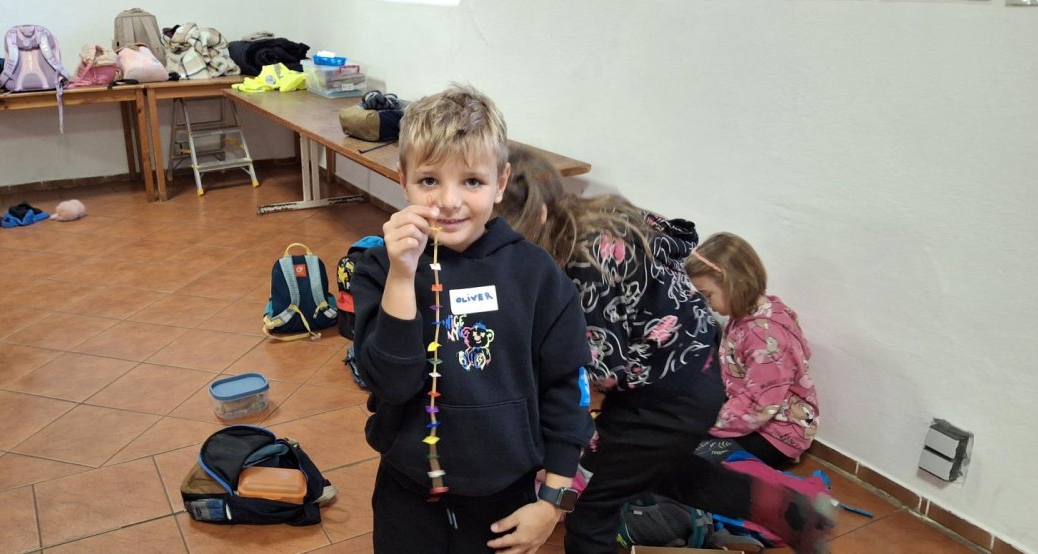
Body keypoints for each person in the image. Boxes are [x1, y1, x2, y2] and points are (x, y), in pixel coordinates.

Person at [495, 147, 834, 554]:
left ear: (537, 217)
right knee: (649, 469)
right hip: (692, 368)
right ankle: (785, 506)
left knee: (591, 514)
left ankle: (784, 507)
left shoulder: (585, 262)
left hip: (667, 393)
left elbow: (601, 368)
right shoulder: (600, 213)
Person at [351, 85, 595, 554]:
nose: (449, 201)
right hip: (407, 492)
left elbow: (567, 388)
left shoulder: (535, 274)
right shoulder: (379, 270)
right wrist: (402, 276)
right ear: (402, 178)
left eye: (471, 182)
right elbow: (391, 385)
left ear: (500, 183)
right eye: (429, 180)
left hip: (504, 496)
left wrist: (553, 501)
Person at [686, 232, 820, 467]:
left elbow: (759, 405)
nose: (707, 304)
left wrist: (706, 423)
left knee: (691, 461)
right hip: (749, 412)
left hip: (776, 434)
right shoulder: (747, 315)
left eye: (708, 296)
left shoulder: (765, 340)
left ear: (734, 284)